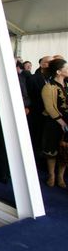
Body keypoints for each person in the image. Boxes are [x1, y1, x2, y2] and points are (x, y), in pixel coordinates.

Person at [41, 58, 68, 187]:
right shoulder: (49, 86)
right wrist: (62, 123)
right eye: (66, 68)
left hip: (67, 122)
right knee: (51, 151)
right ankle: (52, 175)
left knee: (65, 152)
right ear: (58, 71)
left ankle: (60, 177)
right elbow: (49, 108)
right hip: (54, 123)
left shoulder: (67, 85)